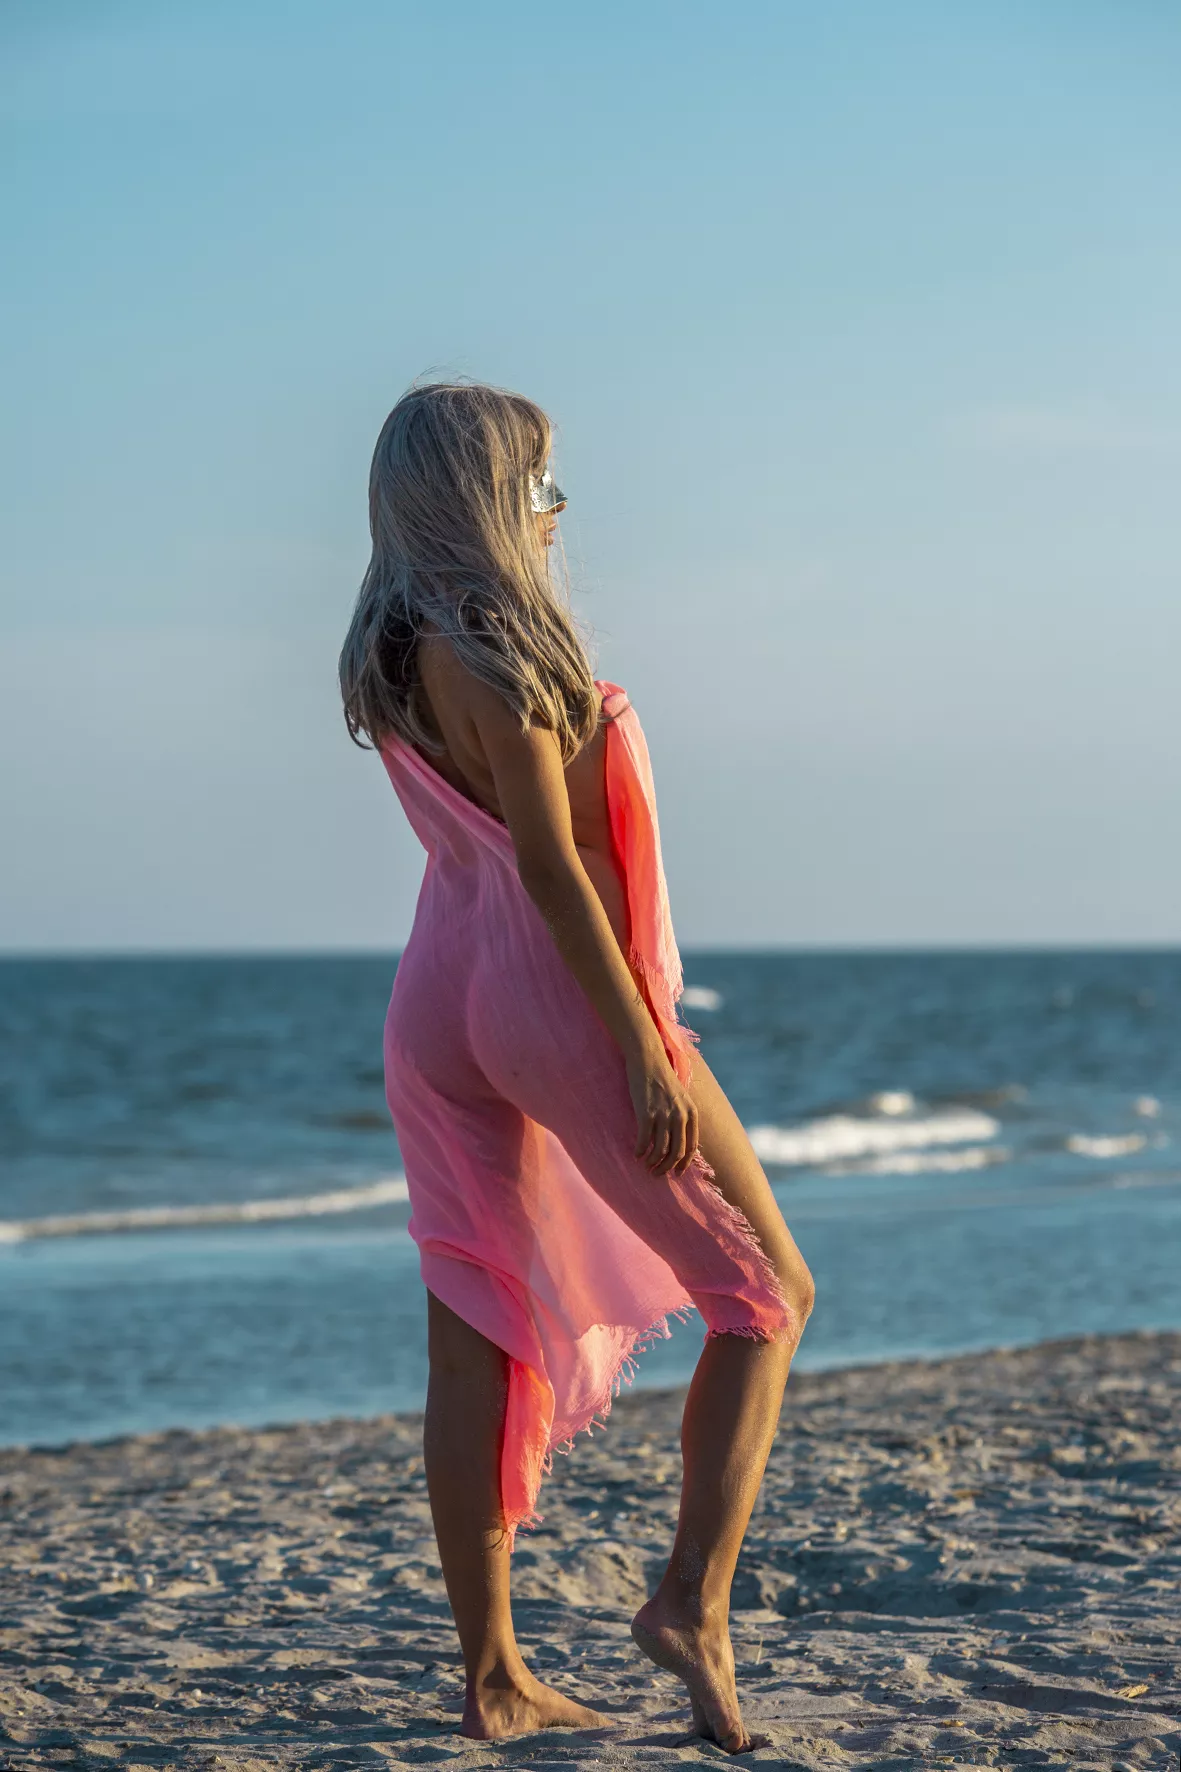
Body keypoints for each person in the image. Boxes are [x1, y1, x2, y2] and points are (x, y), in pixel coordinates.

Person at [339, 381, 815, 1754]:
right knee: (767, 1294)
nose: (555, 515)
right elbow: (553, 871)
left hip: (438, 992)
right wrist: (641, 1054)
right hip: (551, 991)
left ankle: (491, 1672)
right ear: (489, 496)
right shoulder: (495, 650)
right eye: (540, 489)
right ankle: (689, 1606)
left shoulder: (394, 647)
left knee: (473, 1322)